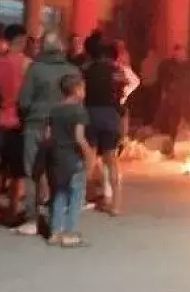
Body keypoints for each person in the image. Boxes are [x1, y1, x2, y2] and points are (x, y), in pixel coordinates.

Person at [14, 31, 77, 236]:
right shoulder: (72, 70)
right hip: (63, 128)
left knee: (33, 172)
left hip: (36, 124)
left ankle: (32, 219)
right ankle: (55, 220)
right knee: (56, 173)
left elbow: (23, 101)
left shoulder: (35, 69)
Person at [0, 25, 30, 223]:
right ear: (21, 39)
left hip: (0, 118)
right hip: (19, 121)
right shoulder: (27, 64)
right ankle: (12, 210)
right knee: (17, 171)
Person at [82, 35, 126, 214]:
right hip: (111, 116)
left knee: (89, 159)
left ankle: (82, 197)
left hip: (90, 114)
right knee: (111, 160)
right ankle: (115, 204)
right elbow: (121, 97)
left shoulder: (86, 70)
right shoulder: (116, 71)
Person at [47, 73, 90, 247]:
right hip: (73, 157)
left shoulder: (54, 110)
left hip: (57, 156)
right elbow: (79, 137)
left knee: (59, 193)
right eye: (83, 88)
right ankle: (70, 233)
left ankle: (55, 232)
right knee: (76, 196)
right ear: (77, 89)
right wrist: (89, 155)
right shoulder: (79, 110)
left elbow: (48, 135)